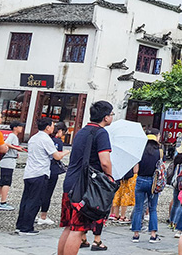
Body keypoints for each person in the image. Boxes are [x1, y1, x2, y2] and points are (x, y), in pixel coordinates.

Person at [56, 101, 114, 255]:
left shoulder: (81, 131)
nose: (111, 117)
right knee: (78, 229)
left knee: (69, 226)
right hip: (85, 186)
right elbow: (105, 161)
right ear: (106, 117)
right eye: (111, 114)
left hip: (71, 182)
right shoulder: (101, 133)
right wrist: (109, 177)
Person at [16, 118, 68, 235]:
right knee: (34, 201)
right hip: (40, 173)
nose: (53, 128)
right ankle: (27, 227)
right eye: (52, 126)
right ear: (47, 127)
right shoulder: (46, 139)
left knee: (26, 199)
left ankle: (20, 225)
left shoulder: (33, 138)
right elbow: (56, 156)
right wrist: (66, 152)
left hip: (29, 172)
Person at [131, 129, 162, 243]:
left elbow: (135, 170)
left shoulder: (140, 151)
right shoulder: (160, 152)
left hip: (140, 180)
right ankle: (153, 235)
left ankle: (136, 234)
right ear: (156, 137)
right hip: (153, 183)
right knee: (153, 209)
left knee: (139, 208)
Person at [39, 122, 68, 226]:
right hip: (53, 169)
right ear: (60, 131)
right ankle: (43, 216)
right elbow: (58, 155)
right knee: (48, 193)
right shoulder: (58, 142)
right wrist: (66, 152)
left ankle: (33, 214)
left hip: (42, 168)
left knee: (39, 192)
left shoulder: (46, 139)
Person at [0, 121, 25, 211]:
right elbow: (6, 143)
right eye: (20, 126)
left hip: (8, 159)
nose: (21, 128)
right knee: (7, 182)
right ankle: (3, 202)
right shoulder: (12, 136)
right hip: (8, 161)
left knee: (2, 181)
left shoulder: (14, 136)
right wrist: (17, 148)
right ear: (15, 127)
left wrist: (16, 151)